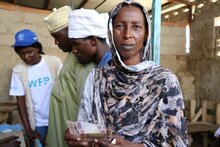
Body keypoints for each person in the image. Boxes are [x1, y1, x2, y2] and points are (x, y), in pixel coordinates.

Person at [64, 1, 189, 147]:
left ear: (146, 33)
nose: (127, 34)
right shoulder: (97, 77)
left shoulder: (164, 81)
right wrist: (77, 137)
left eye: (136, 27)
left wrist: (126, 145)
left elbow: (175, 142)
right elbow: (87, 129)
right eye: (119, 26)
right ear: (110, 32)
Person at [43, 6, 95, 147]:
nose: (55, 42)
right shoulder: (72, 56)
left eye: (57, 36)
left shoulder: (82, 57)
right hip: (62, 126)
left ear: (72, 31)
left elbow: (85, 104)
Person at [9, 29, 62, 147]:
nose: (26, 57)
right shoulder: (18, 71)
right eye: (22, 54)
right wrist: (28, 129)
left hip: (57, 118)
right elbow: (20, 102)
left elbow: (65, 92)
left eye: (29, 52)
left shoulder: (54, 63)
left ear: (37, 48)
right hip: (37, 122)